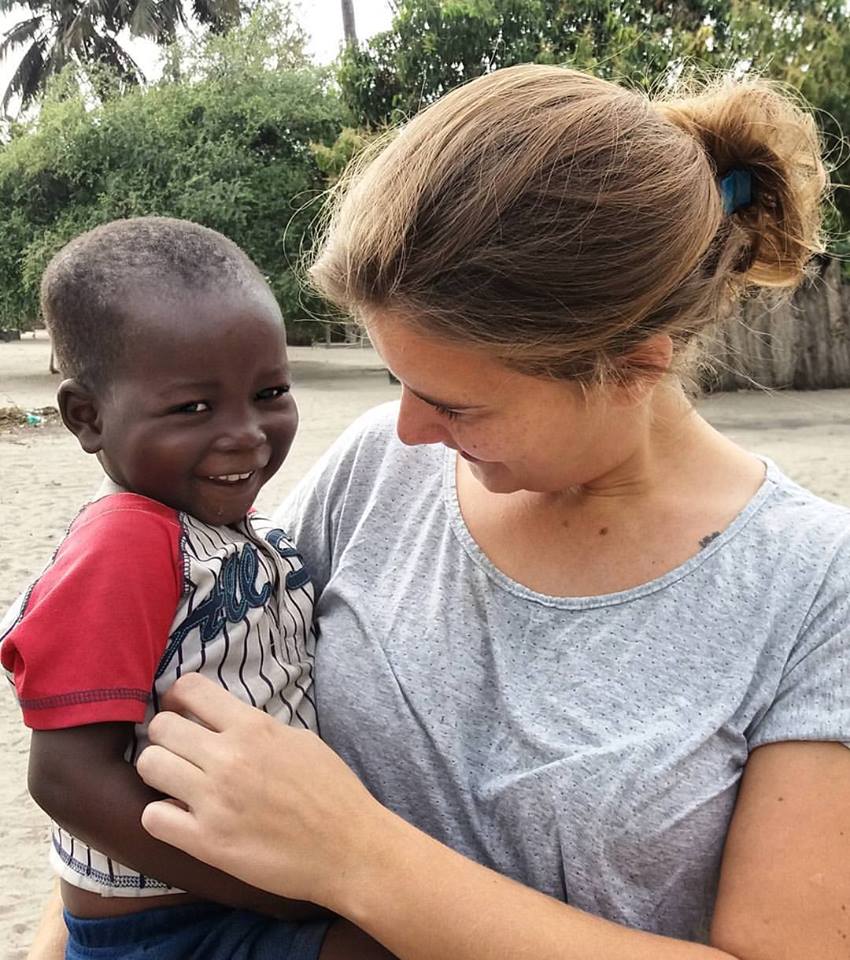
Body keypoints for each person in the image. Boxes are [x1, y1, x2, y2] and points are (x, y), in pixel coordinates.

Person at [26, 65, 850, 959]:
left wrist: (356, 860)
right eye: (399, 382)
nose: (411, 429)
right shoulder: (376, 471)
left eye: (460, 405)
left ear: (636, 366)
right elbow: (162, 724)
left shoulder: (814, 590)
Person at [1, 218, 391, 960]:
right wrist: (283, 888)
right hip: (170, 927)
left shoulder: (228, 527)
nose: (246, 434)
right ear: (87, 417)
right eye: (193, 408)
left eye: (269, 391)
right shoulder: (125, 542)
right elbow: (67, 779)